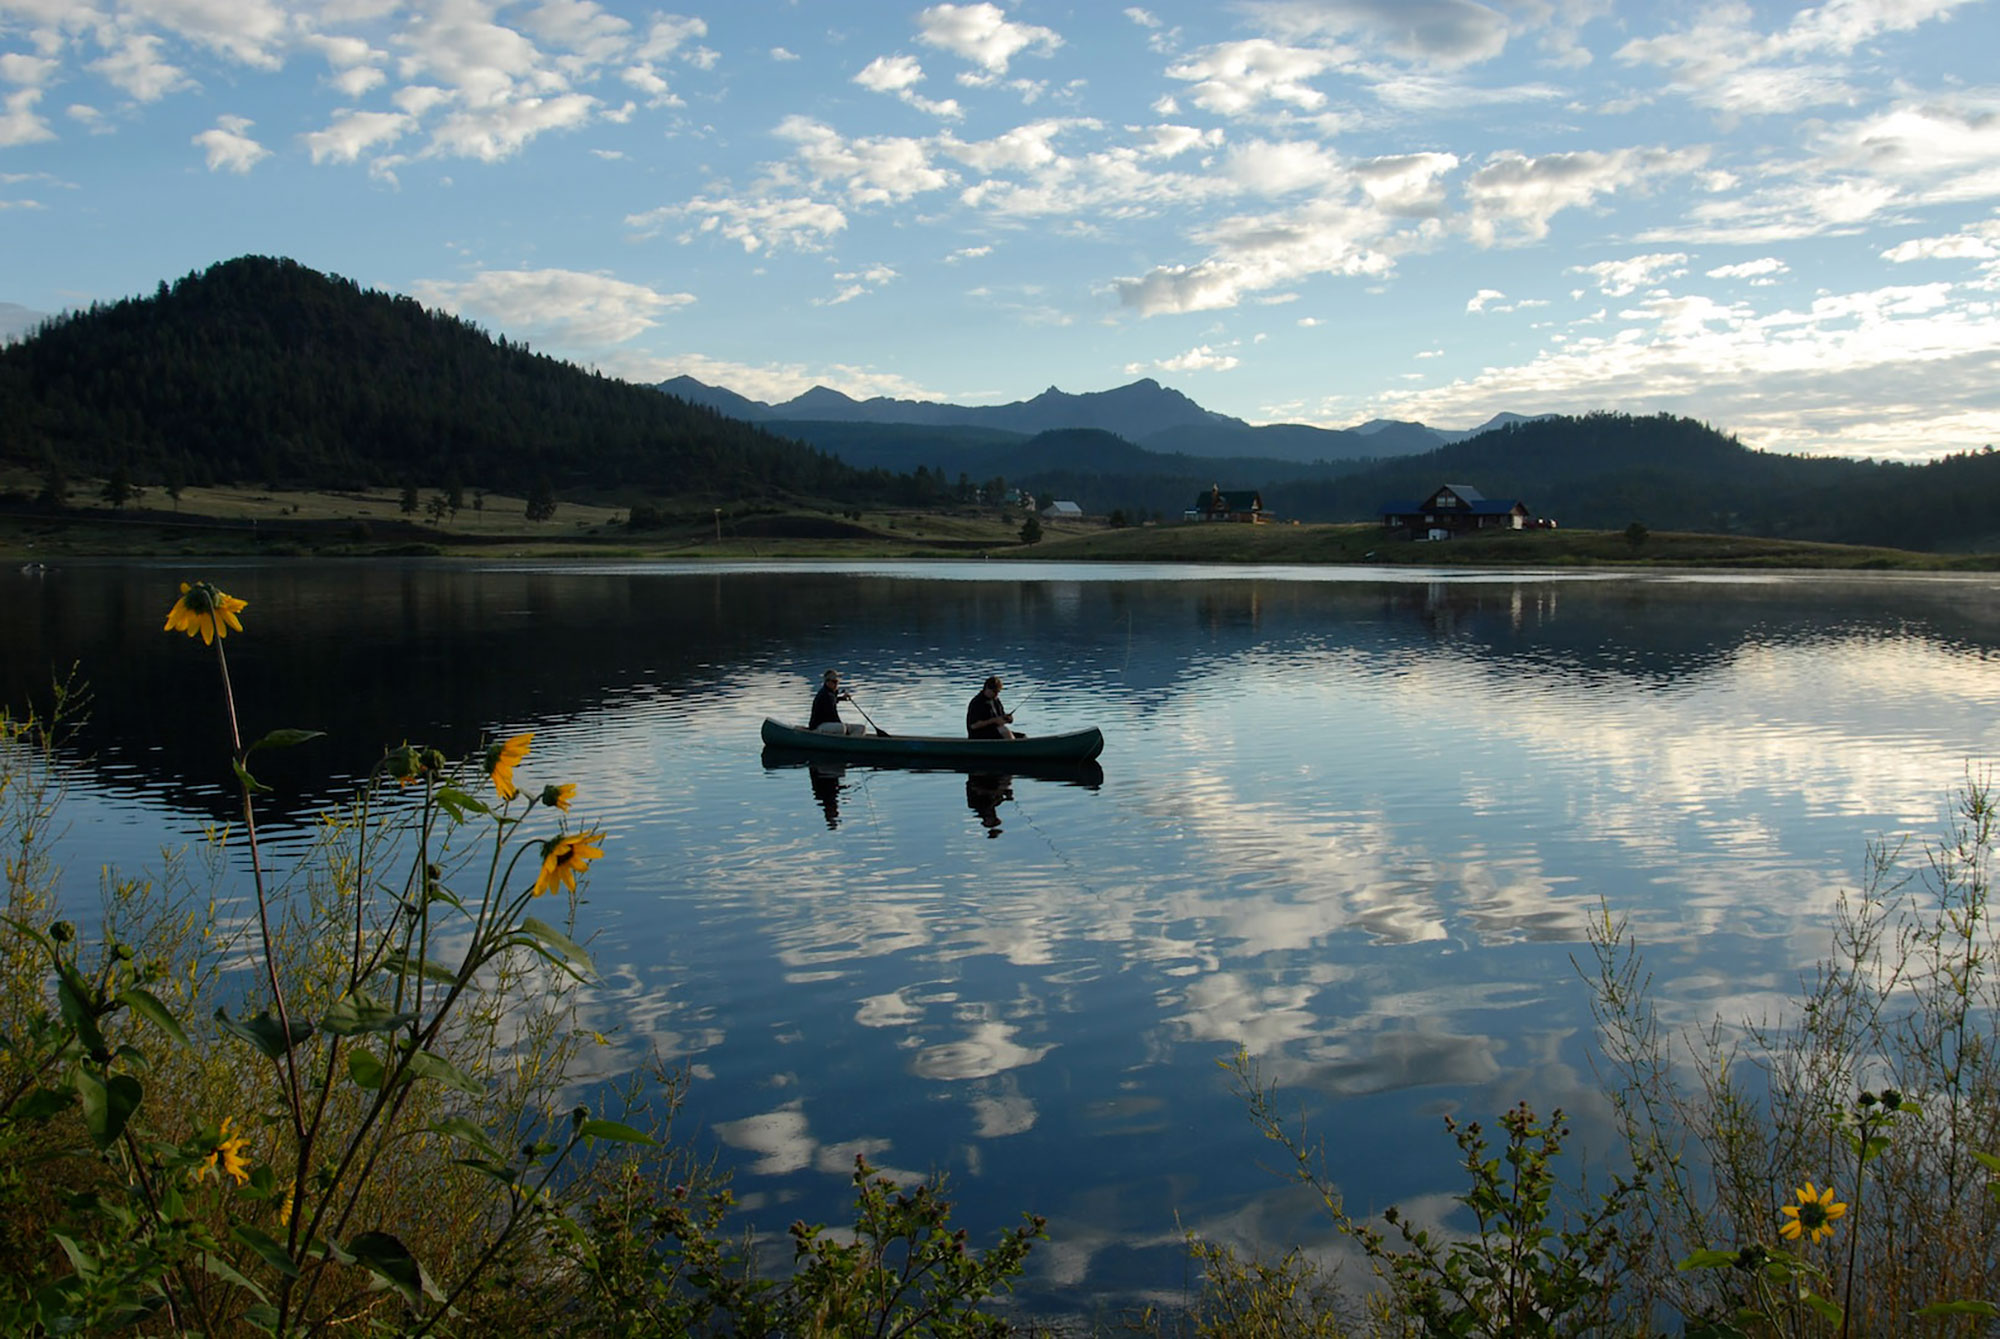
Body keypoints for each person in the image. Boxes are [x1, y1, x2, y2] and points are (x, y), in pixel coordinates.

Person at [810, 669, 866, 735]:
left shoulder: (830, 694)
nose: (837, 684)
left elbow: (833, 699)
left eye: (837, 682)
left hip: (829, 725)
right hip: (819, 726)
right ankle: (846, 741)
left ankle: (850, 743)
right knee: (842, 728)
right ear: (827, 682)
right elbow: (832, 715)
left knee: (861, 728)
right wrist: (842, 725)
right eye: (835, 681)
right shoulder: (824, 695)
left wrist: (841, 698)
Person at [966, 675, 1018, 739]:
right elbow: (973, 726)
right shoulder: (977, 702)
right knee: (1004, 730)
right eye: (994, 691)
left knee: (1022, 736)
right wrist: (993, 720)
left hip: (995, 732)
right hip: (979, 735)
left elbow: (1001, 716)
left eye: (998, 692)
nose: (996, 694)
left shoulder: (996, 700)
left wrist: (1007, 719)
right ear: (987, 688)